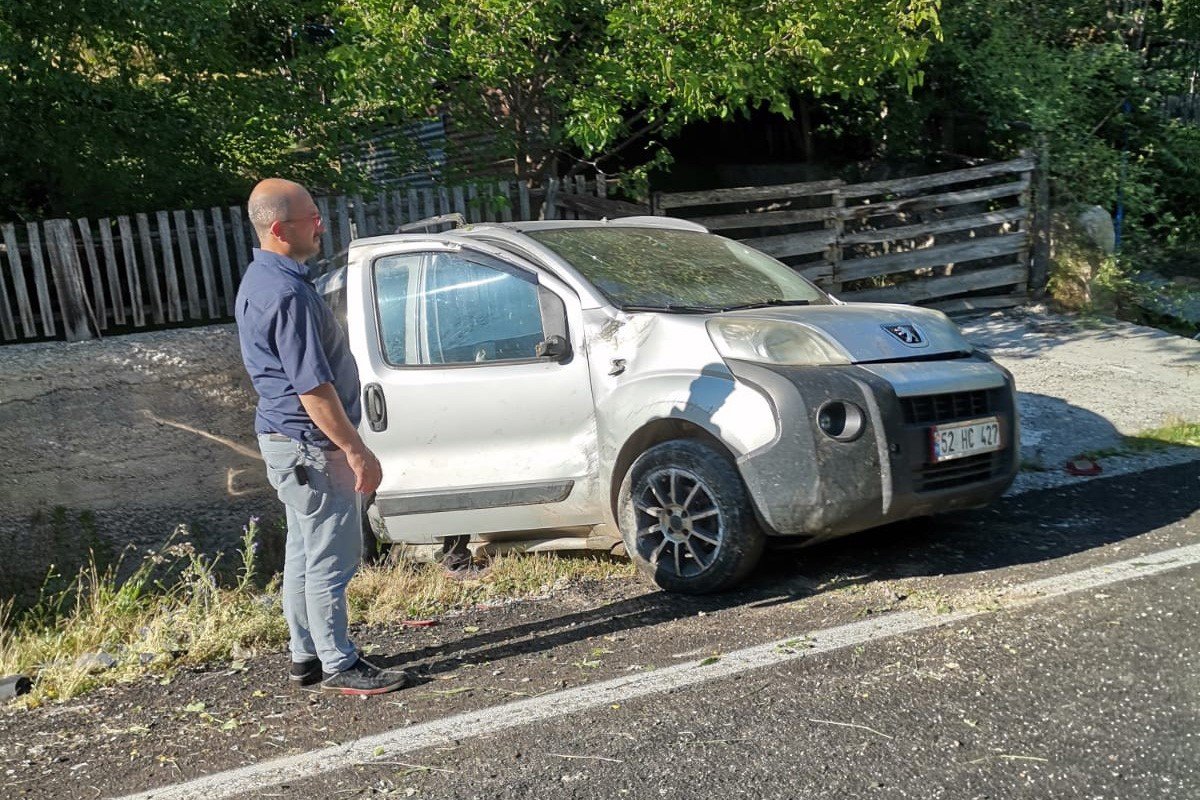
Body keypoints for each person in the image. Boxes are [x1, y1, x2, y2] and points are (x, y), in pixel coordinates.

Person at [235, 178, 410, 696]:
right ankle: (339, 663)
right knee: (332, 557)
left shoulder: (261, 280)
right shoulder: (287, 293)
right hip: (312, 446)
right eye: (312, 216)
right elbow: (312, 387)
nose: (321, 224)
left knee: (304, 552)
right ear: (279, 228)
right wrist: (355, 449)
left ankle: (306, 655)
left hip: (288, 444)